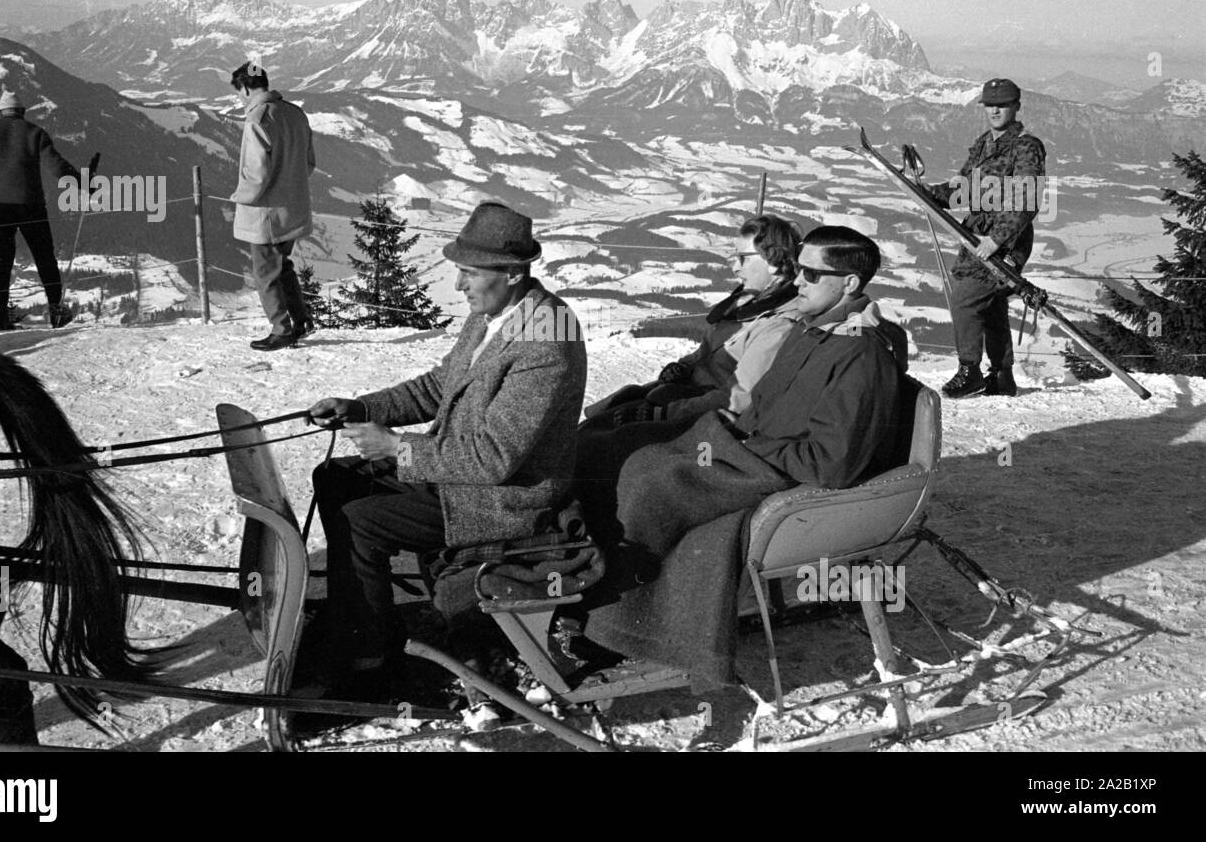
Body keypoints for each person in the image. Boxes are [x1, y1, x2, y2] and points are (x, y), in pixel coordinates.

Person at [575, 225, 907, 686]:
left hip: (777, 470)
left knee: (649, 480)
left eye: (811, 274)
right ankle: (584, 587)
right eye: (800, 271)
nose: (798, 283)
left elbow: (832, 462)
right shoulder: (813, 331)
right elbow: (760, 403)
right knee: (618, 451)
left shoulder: (861, 356)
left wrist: (745, 446)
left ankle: (618, 627)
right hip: (747, 447)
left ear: (849, 283)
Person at [305, 202, 587, 699]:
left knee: (360, 519)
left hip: (502, 501)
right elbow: (441, 386)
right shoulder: (493, 316)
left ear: (514, 274)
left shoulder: (548, 339)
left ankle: (369, 658)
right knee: (336, 478)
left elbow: (494, 458)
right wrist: (362, 407)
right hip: (458, 474)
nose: (459, 285)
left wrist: (397, 447)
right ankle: (360, 616)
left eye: (469, 273)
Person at [583, 214, 804, 427]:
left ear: (773, 261)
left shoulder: (778, 326)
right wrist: (684, 366)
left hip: (707, 415)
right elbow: (707, 353)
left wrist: (664, 414)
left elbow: (738, 396)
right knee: (621, 401)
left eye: (743, 258)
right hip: (688, 394)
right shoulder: (745, 304)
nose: (735, 267)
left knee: (608, 436)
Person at [926, 78, 1046, 398]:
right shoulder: (982, 144)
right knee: (991, 304)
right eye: (990, 104)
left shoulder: (1025, 146)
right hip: (977, 233)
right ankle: (1001, 375)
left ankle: (970, 371)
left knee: (966, 297)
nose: (995, 109)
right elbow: (963, 188)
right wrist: (930, 194)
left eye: (1002, 104)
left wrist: (997, 239)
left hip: (1006, 239)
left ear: (1016, 106)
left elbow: (1026, 200)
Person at [0, 91, 81, 331]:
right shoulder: (35, 133)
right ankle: (56, 310)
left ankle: (0, 318)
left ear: (1, 111)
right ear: (22, 112)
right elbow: (57, 168)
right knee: (44, 257)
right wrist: (84, 183)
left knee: (0, 262)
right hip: (31, 205)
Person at [228, 61, 317, 351]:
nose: (240, 98)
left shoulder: (257, 119)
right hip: (293, 207)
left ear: (244, 87)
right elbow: (309, 163)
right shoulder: (294, 113)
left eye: (239, 92)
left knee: (265, 272)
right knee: (283, 266)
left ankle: (282, 330)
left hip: (266, 213)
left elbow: (256, 175)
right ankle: (302, 321)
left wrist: (239, 197)